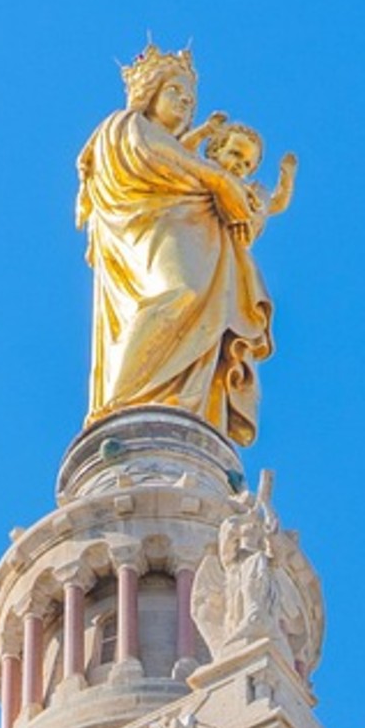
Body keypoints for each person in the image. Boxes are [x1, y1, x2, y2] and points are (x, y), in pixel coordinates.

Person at [75, 44, 277, 446]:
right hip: (150, 234)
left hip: (195, 237)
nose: (185, 104)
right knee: (178, 294)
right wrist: (216, 180)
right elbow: (151, 158)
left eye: (190, 99)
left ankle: (187, 405)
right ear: (150, 92)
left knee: (206, 320)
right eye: (175, 93)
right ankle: (122, 400)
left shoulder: (187, 158)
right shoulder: (123, 127)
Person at [195, 121, 297, 246]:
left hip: (225, 242)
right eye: (235, 154)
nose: (240, 165)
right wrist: (202, 132)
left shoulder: (248, 193)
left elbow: (276, 203)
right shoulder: (202, 169)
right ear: (216, 150)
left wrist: (287, 177)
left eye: (247, 164)